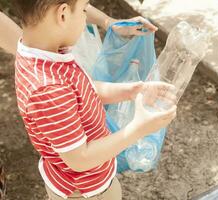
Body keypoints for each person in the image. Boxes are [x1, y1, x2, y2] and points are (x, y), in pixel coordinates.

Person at [12, 0, 177, 199]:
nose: (85, 17)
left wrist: (132, 91)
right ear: (63, 14)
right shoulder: (48, 89)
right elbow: (80, 159)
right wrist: (139, 128)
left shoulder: (46, 53)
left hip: (83, 181)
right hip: (85, 192)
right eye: (83, 10)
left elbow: (80, 90)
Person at [0, 5, 158, 55]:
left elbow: (73, 4)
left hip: (71, 47)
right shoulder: (48, 84)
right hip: (55, 57)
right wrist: (45, 59)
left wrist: (109, 22)